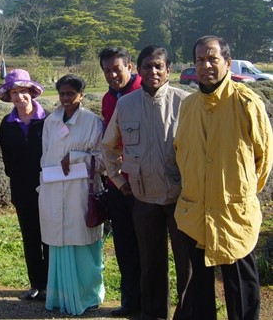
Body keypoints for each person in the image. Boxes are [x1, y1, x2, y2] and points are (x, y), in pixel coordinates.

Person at [173, 35, 273, 320]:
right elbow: (181, 152)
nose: (206, 65)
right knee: (200, 288)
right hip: (196, 210)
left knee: (240, 284)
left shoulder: (246, 101)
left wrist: (240, 192)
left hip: (233, 212)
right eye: (200, 60)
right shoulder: (189, 105)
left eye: (213, 58)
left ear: (227, 62)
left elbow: (263, 158)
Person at [102, 45, 190, 320]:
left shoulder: (185, 102)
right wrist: (118, 180)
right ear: (137, 69)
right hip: (142, 197)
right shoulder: (125, 104)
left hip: (180, 197)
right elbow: (108, 148)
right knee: (150, 263)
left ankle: (186, 314)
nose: (152, 71)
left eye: (158, 66)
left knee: (186, 264)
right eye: (147, 66)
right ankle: (154, 315)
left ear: (168, 70)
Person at [38, 74, 105, 316]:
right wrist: (43, 184)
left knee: (82, 243)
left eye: (71, 93)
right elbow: (45, 156)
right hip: (54, 191)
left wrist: (76, 156)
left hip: (80, 192)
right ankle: (60, 297)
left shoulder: (92, 122)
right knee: (59, 241)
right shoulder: (51, 121)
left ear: (81, 95)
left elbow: (102, 157)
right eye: (62, 93)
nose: (66, 98)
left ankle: (88, 296)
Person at [0, 69, 49, 301]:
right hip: (22, 189)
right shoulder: (6, 125)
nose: (19, 97)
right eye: (14, 93)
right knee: (30, 238)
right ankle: (36, 283)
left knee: (49, 238)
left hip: (48, 188)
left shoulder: (48, 120)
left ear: (32, 93)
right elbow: (7, 160)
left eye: (23, 91)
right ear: (9, 96)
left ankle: (51, 283)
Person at [98, 47, 142, 317]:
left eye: (117, 68)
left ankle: (150, 304)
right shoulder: (107, 98)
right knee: (124, 244)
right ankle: (130, 302)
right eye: (107, 70)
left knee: (147, 247)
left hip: (144, 183)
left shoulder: (142, 91)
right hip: (117, 182)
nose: (113, 74)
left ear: (130, 65)